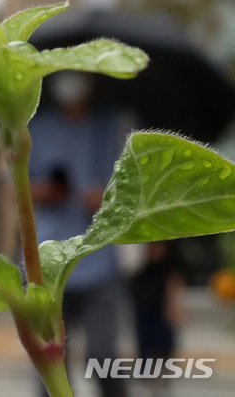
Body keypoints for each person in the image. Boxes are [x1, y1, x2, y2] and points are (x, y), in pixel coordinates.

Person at [27, 71, 133, 397]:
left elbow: (132, 188)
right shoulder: (36, 126)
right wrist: (47, 191)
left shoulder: (114, 125)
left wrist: (106, 199)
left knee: (103, 358)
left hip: (100, 258)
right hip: (50, 260)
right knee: (50, 363)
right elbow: (14, 186)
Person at [131, 241, 184, 397]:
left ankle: (163, 379)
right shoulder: (138, 264)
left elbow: (175, 284)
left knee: (165, 345)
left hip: (162, 309)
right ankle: (148, 381)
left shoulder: (169, 266)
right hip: (144, 308)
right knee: (145, 346)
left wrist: (175, 306)